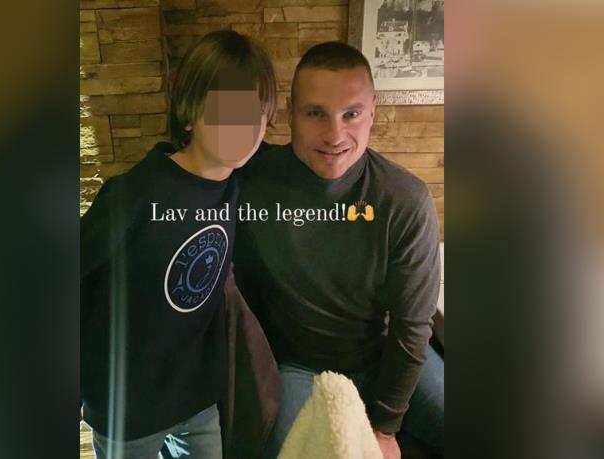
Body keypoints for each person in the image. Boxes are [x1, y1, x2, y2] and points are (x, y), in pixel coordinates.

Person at [233, 42, 443, 459]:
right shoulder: (250, 182)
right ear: (291, 113)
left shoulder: (404, 199)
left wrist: (384, 429)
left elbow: (411, 327)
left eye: (351, 114)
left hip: (383, 355)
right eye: (315, 114)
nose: (334, 135)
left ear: (373, 112)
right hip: (297, 366)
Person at [80, 30, 276, 459]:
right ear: (189, 114)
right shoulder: (135, 195)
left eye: (255, 113)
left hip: (195, 395)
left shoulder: (238, 180)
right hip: (127, 406)